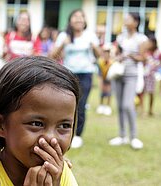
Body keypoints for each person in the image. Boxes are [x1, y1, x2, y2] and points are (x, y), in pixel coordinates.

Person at [0, 56, 80, 185]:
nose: (51, 138)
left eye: (64, 126)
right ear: (1, 124)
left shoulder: (61, 173)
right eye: (37, 124)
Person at [50, 9, 100, 148]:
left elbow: (99, 55)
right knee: (65, 105)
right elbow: (52, 56)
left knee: (81, 105)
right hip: (68, 74)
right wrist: (62, 44)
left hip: (85, 74)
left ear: (85, 21)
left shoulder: (90, 35)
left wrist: (94, 47)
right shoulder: (64, 35)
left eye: (81, 17)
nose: (78, 19)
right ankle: (64, 131)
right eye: (75, 17)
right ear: (70, 20)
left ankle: (77, 134)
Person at [109, 12, 147, 149]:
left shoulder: (141, 39)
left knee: (127, 105)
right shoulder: (120, 37)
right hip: (119, 74)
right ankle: (122, 136)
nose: (126, 20)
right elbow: (117, 53)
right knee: (119, 106)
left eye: (129, 18)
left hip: (132, 75)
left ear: (136, 22)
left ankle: (134, 137)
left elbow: (143, 57)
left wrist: (129, 55)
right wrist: (117, 56)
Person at [142, 35, 161, 116]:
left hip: (152, 75)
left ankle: (150, 110)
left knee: (151, 93)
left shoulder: (158, 52)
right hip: (144, 73)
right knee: (142, 92)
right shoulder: (145, 51)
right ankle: (142, 109)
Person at [96, 43, 113, 116]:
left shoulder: (112, 62)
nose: (106, 54)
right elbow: (99, 73)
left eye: (107, 52)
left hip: (109, 79)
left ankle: (108, 106)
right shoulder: (100, 61)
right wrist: (100, 82)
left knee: (109, 93)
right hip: (103, 78)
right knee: (102, 92)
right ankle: (101, 106)